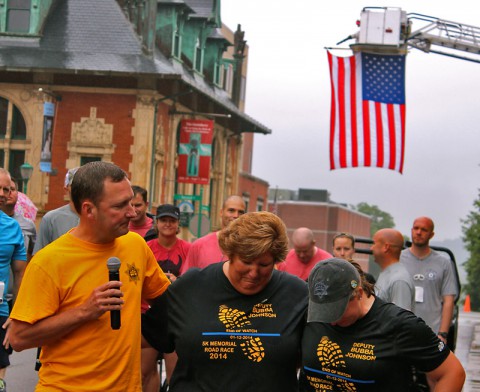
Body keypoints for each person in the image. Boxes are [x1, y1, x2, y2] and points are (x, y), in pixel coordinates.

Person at [9, 161, 171, 391]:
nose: (132, 212)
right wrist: (84, 311)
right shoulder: (49, 261)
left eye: (132, 202)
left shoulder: (136, 245)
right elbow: (18, 338)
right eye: (120, 205)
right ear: (88, 210)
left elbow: (165, 301)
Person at [143, 211, 308, 391]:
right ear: (230, 253)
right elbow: (146, 340)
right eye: (246, 261)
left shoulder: (297, 295)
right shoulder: (189, 288)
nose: (253, 273)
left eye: (264, 265)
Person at [300, 258, 465, 392]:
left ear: (358, 293)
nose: (331, 321)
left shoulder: (398, 324)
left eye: (336, 312)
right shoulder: (309, 312)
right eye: (323, 312)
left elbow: (452, 373)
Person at [142, 204, 191, 392]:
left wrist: (177, 280)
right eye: (163, 220)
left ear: (178, 224)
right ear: (156, 222)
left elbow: (193, 277)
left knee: (175, 377)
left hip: (177, 316)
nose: (168, 224)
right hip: (149, 314)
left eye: (172, 220)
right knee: (145, 373)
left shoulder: (188, 248)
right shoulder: (146, 248)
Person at [400, 217, 458, 343]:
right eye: (416, 228)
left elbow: (448, 301)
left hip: (431, 333)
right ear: (411, 230)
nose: (419, 232)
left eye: (424, 229)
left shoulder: (443, 263)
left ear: (431, 234)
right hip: (400, 332)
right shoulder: (398, 260)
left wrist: (443, 334)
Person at [0, 169, 28, 392]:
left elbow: (20, 273)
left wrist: (17, 313)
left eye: (7, 189)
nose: (2, 193)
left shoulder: (13, 227)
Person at [180, 195, 246, 273]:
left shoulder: (249, 248)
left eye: (240, 212)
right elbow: (187, 280)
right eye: (231, 210)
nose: (236, 215)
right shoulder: (199, 246)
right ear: (221, 212)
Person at [32, 167, 80, 255]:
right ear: (66, 189)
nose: (81, 189)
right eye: (76, 186)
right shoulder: (50, 219)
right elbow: (39, 257)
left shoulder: (101, 219)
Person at [371, 228, 415, 311]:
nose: (371, 248)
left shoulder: (399, 279)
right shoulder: (388, 274)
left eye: (374, 243)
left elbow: (401, 320)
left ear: (386, 247)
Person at [0, 177, 36, 261]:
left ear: (18, 193)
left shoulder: (28, 225)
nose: (9, 193)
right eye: (5, 189)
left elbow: (33, 254)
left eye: (12, 189)